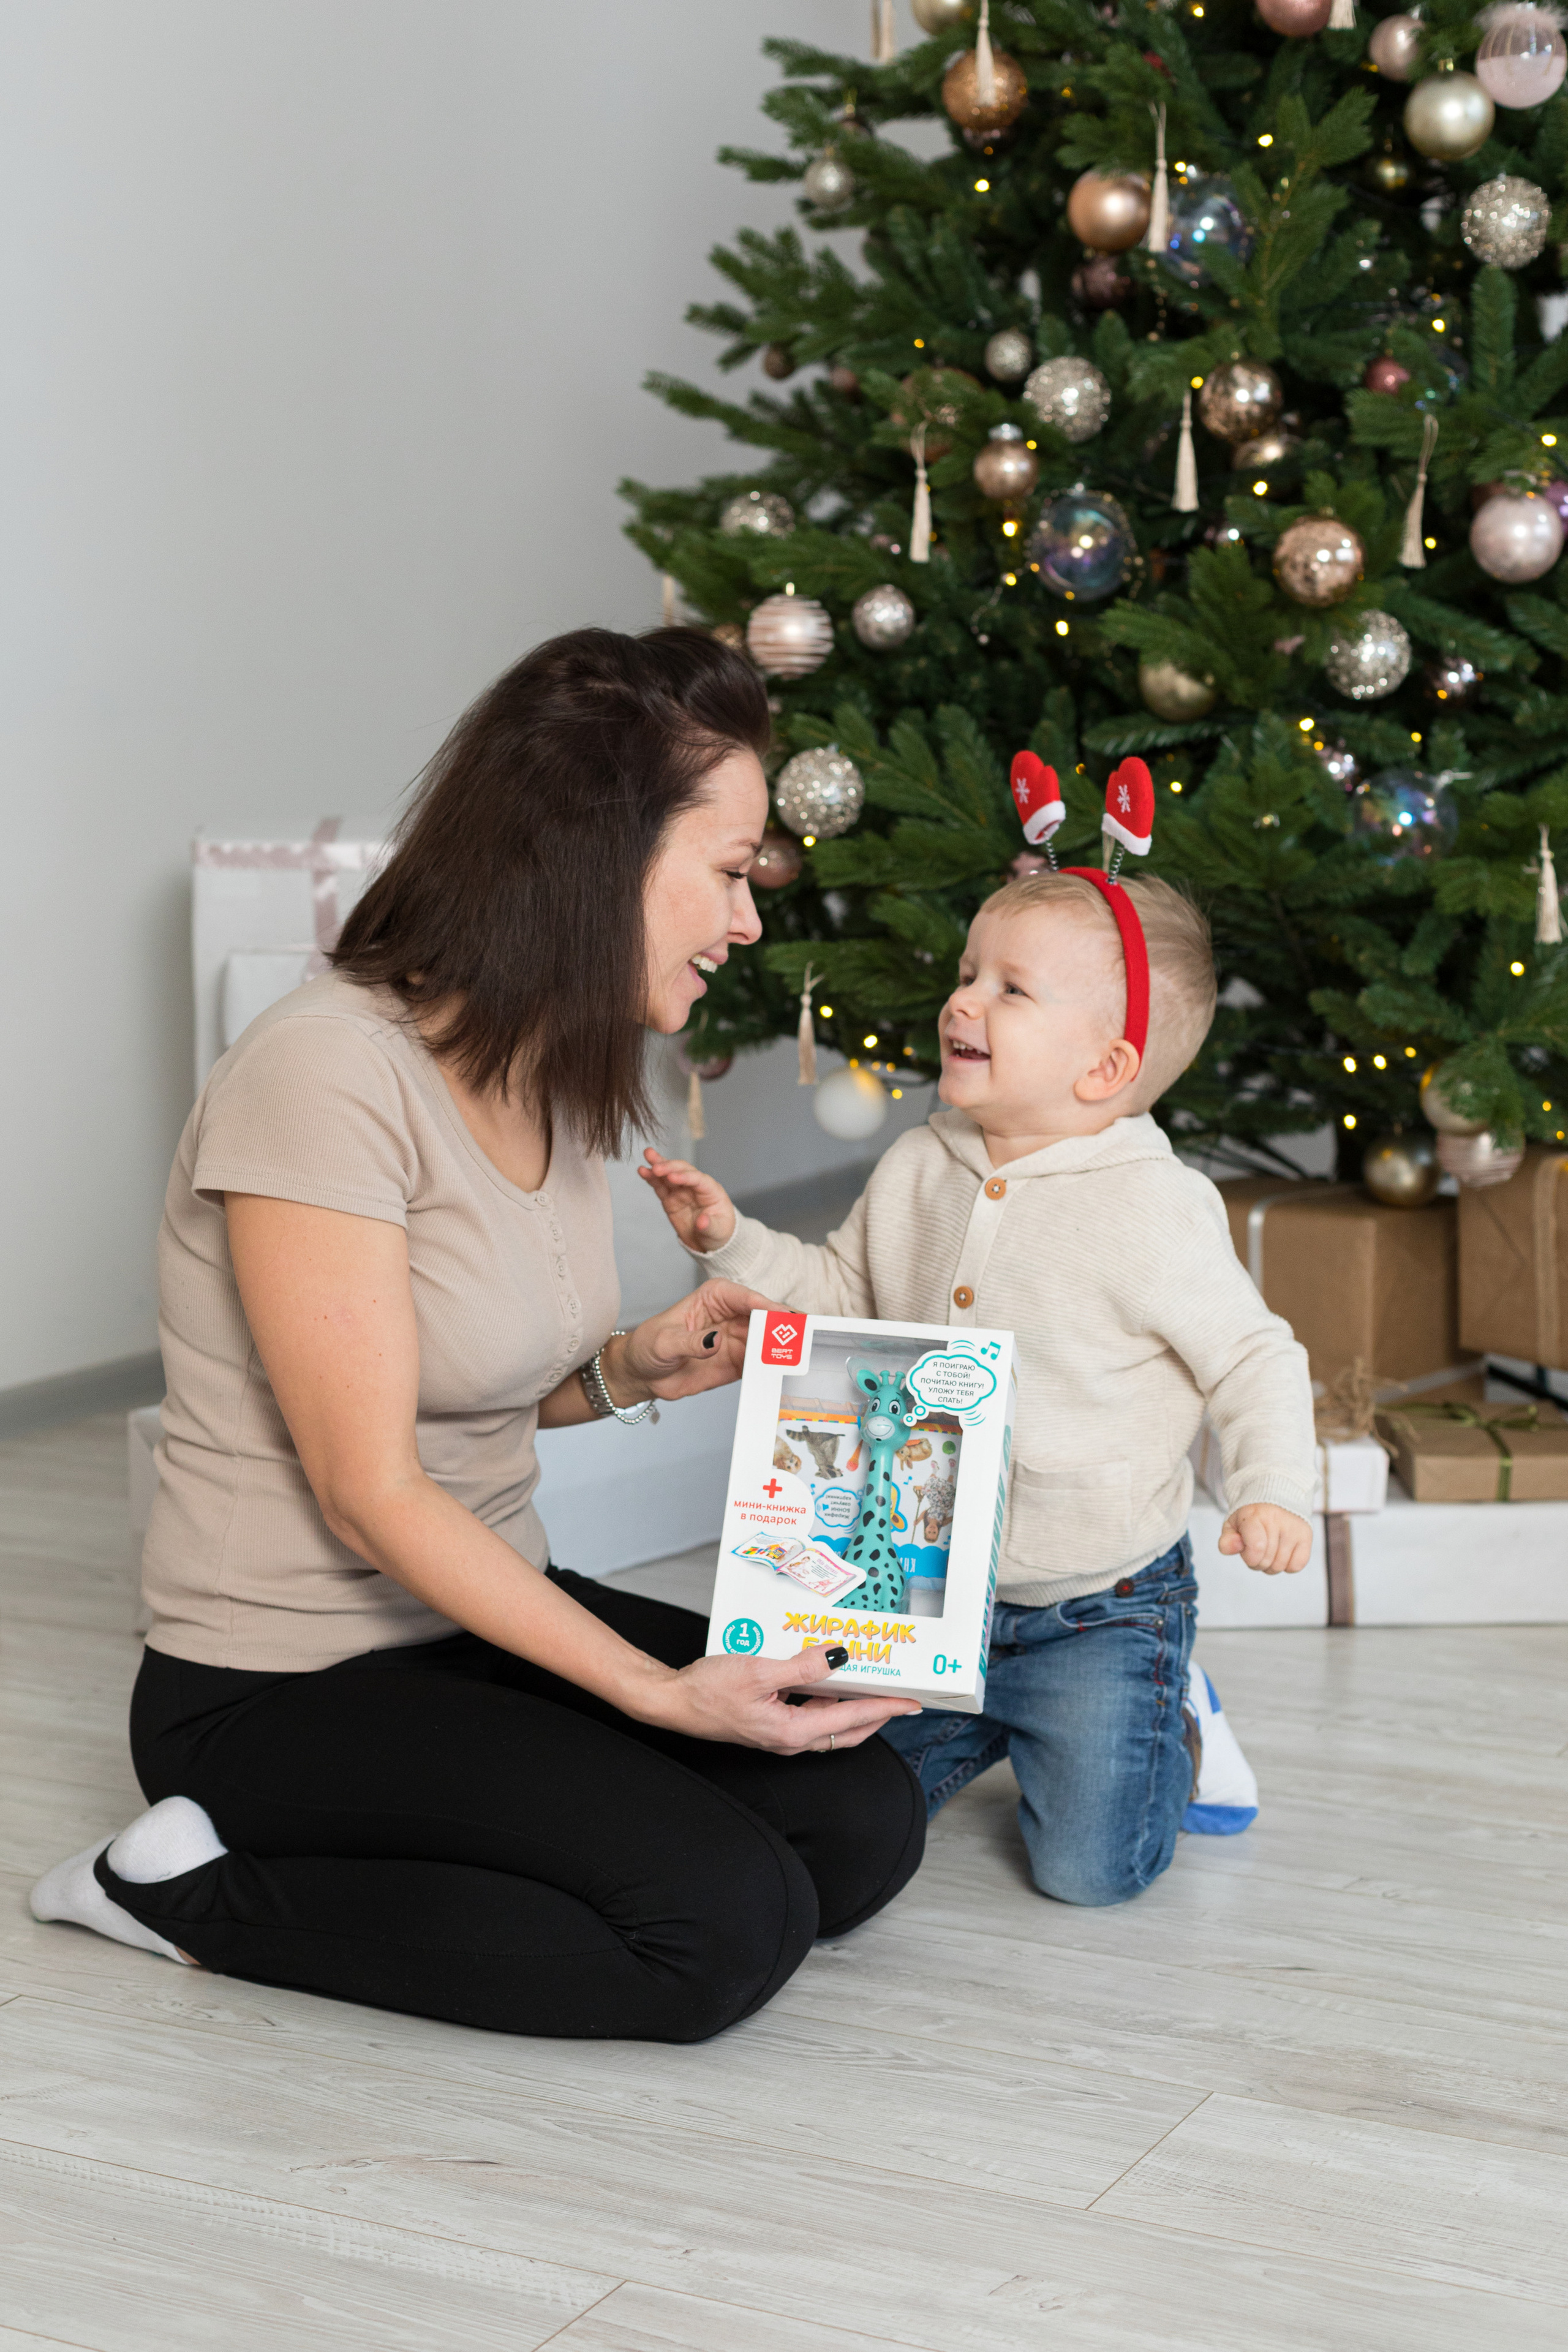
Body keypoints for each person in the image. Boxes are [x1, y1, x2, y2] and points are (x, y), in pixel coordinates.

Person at [30, 628, 925, 2040]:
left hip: (473, 1614)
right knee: (720, 1933)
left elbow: (471, 1392)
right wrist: (657, 1693)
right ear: (594, 852)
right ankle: (177, 1895)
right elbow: (368, 1481)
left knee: (861, 1821)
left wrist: (632, 1368)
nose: (748, 922)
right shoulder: (322, 1074)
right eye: (729, 870)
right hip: (280, 1682)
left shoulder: (559, 1067)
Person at [641, 867, 1316, 1908]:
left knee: (1093, 1873)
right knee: (837, 1798)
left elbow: (1251, 1356)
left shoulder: (1153, 1207)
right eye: (967, 974)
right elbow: (841, 1297)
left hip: (1099, 1604)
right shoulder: (917, 1164)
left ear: (1107, 1066)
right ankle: (994, 1719)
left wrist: (1271, 1486)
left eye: (1011, 988)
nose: (962, 1000)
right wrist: (736, 1243)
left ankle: (1173, 1712)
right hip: (924, 1587)